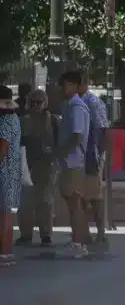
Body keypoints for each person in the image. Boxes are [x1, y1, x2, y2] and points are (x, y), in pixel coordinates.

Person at [15, 88, 59, 247]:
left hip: (47, 165)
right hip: (27, 164)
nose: (35, 105)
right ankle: (25, 234)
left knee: (45, 201)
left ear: (45, 102)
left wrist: (55, 159)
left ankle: (45, 234)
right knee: (25, 201)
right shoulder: (23, 121)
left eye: (39, 102)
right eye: (32, 102)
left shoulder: (53, 120)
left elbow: (58, 142)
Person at [55, 70, 92, 258]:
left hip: (73, 161)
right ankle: (78, 240)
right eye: (63, 84)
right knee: (72, 203)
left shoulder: (77, 107)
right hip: (69, 161)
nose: (64, 88)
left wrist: (59, 152)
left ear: (77, 86)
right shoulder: (69, 105)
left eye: (68, 84)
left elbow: (77, 136)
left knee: (75, 203)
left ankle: (79, 244)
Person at [79, 72, 109, 245]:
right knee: (81, 196)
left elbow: (102, 129)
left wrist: (100, 157)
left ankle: (100, 233)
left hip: (92, 155)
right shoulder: (75, 102)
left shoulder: (93, 102)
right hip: (81, 155)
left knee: (95, 196)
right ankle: (85, 234)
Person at [0, 85, 21, 266]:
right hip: (11, 169)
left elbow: (3, 145)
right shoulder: (14, 118)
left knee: (3, 213)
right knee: (5, 213)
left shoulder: (5, 119)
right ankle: (6, 252)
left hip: (3, 170)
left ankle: (4, 252)